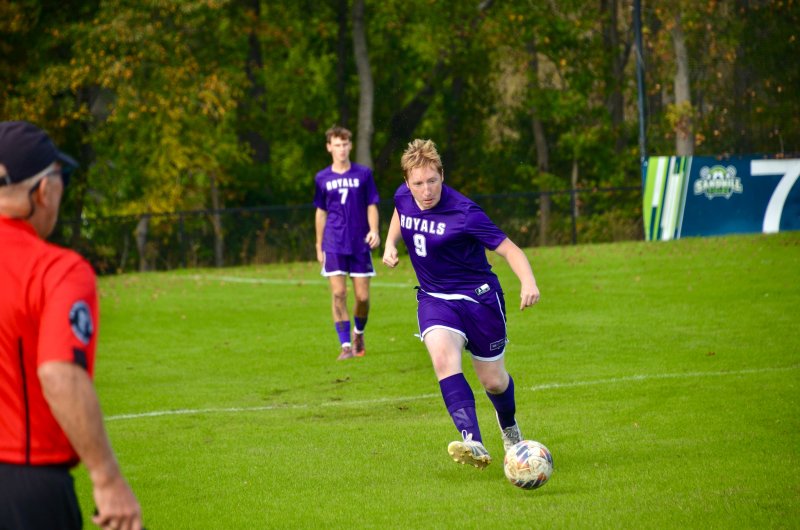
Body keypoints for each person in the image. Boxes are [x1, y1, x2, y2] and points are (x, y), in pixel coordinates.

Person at [0, 121, 142, 530]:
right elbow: (59, 374)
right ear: (43, 191)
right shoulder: (56, 270)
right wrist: (107, 478)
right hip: (24, 488)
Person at [382, 139, 540, 469]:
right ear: (407, 182)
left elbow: (510, 249)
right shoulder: (403, 196)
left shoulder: (465, 213)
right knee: (443, 359)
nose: (425, 191)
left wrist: (528, 281)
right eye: (418, 184)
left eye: (432, 181)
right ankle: (472, 441)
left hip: (479, 299)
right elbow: (400, 213)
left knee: (494, 381)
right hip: (435, 299)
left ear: (442, 174)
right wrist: (390, 245)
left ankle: (509, 427)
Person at [314, 125, 380, 360]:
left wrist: (374, 230)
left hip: (359, 243)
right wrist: (318, 244)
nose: (341, 149)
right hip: (333, 243)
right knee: (339, 293)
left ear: (350, 146)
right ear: (329, 147)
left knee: (362, 297)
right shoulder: (322, 178)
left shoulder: (363, 174)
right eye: (337, 145)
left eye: (345, 144)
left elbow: (371, 204)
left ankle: (358, 333)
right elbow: (320, 213)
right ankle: (344, 346)